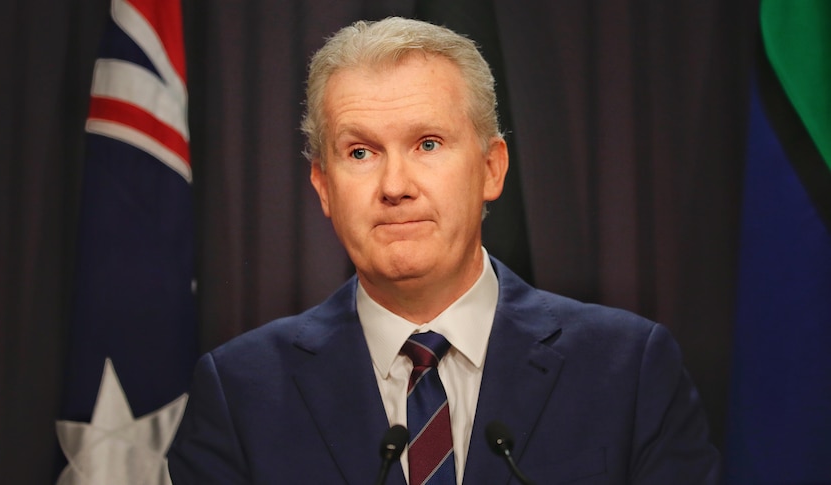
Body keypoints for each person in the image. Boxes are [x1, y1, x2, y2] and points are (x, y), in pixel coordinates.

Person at [168, 17, 719, 484]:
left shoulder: (629, 370)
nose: (395, 185)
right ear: (323, 186)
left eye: (427, 144)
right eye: (360, 152)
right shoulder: (240, 392)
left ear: (491, 168)